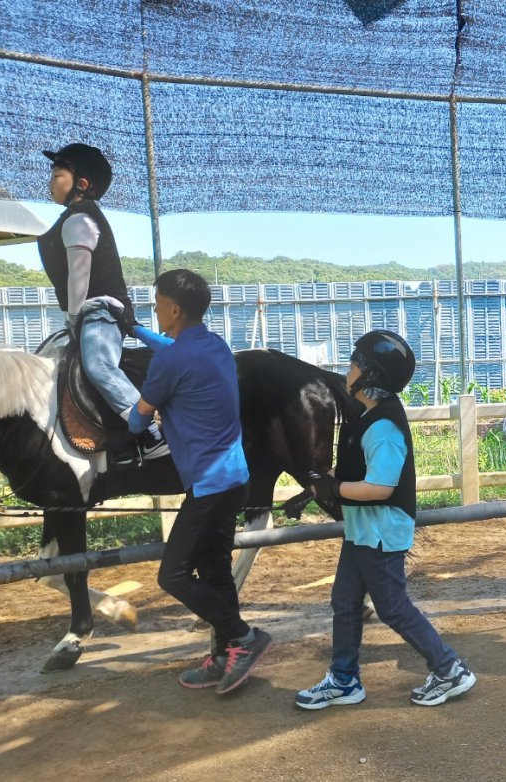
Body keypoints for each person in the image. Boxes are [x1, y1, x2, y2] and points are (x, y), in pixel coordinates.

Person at [297, 329, 476, 709]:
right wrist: (321, 484)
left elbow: (380, 487)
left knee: (392, 607)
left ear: (371, 375)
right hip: (362, 530)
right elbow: (357, 470)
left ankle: (449, 669)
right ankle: (344, 679)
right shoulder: (366, 416)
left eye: (353, 366)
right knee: (345, 603)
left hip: (380, 531)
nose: (347, 373)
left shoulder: (383, 427)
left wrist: (334, 488)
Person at [123, 269, 271, 695]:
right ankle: (225, 656)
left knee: (173, 576)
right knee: (215, 570)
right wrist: (136, 331)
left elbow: (137, 420)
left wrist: (139, 414)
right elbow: (173, 349)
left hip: (208, 487)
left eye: (157, 305)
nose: (156, 312)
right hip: (234, 479)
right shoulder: (215, 345)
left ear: (174, 309)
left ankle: (243, 637)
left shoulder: (170, 361)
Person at [36, 143, 168, 465]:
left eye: (57, 175)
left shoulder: (79, 220)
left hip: (99, 313)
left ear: (81, 184)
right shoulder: (74, 218)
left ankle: (151, 433)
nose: (50, 182)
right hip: (90, 313)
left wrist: (72, 318)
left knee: (98, 365)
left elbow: (79, 277)